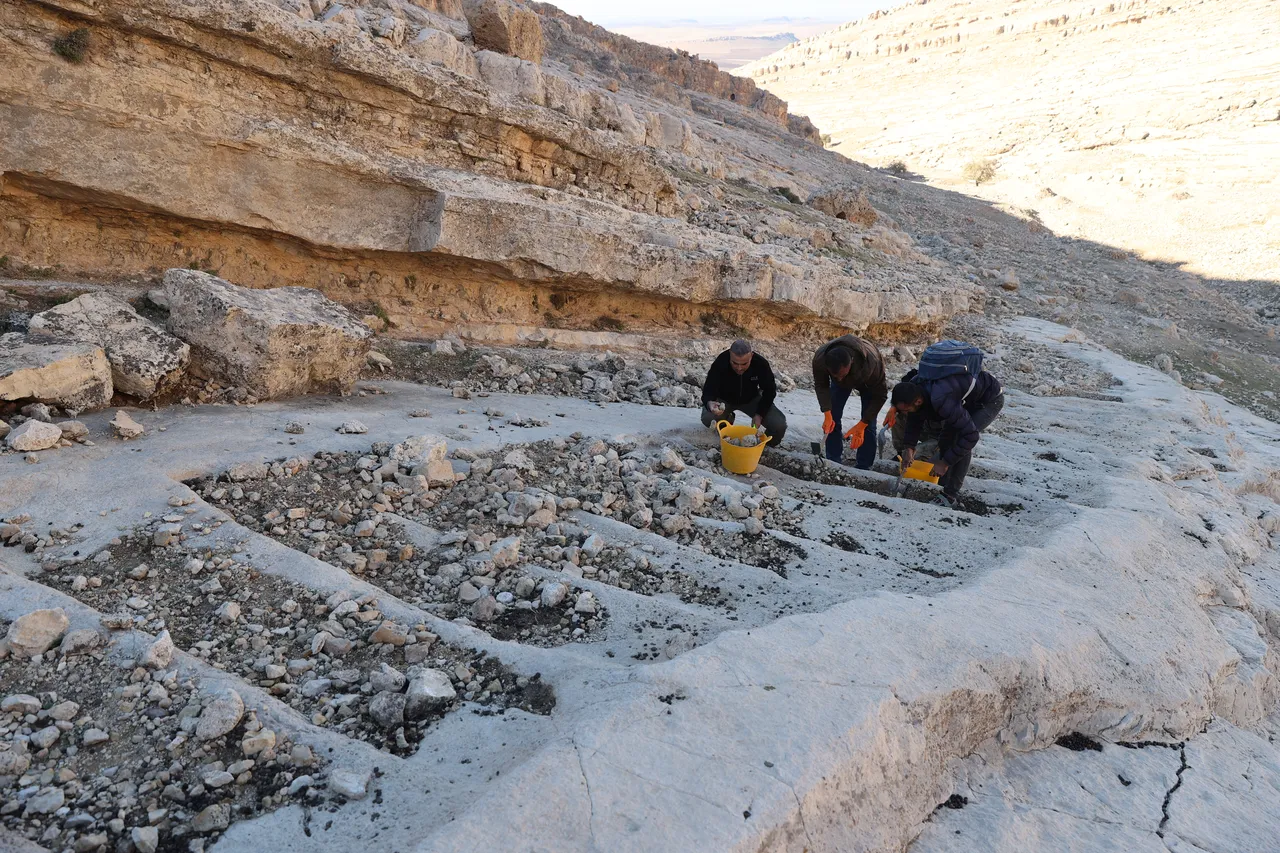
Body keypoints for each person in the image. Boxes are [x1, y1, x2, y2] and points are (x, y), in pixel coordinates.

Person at [889, 365, 1004, 508]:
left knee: (959, 437)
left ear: (918, 401)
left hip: (987, 400)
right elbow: (914, 419)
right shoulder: (915, 386)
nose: (905, 413)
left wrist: (945, 463)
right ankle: (943, 481)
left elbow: (970, 436)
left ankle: (950, 495)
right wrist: (909, 447)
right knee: (946, 438)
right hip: (962, 399)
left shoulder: (942, 400)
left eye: (906, 410)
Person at [812, 334, 888, 468]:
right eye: (835, 376)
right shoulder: (820, 359)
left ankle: (864, 466)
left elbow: (880, 396)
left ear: (851, 362)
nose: (839, 379)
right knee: (833, 417)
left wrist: (862, 424)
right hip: (846, 377)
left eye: (842, 375)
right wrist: (827, 413)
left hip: (868, 381)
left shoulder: (873, 362)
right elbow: (821, 385)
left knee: (868, 424)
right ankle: (833, 461)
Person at [701, 339, 788, 446]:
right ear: (730, 355)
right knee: (708, 418)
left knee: (778, 425)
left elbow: (770, 391)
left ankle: (765, 445)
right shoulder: (721, 361)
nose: (739, 368)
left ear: (751, 356)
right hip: (725, 400)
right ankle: (728, 421)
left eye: (744, 364)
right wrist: (710, 403)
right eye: (734, 363)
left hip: (752, 399)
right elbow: (708, 388)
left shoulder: (761, 364)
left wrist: (760, 414)